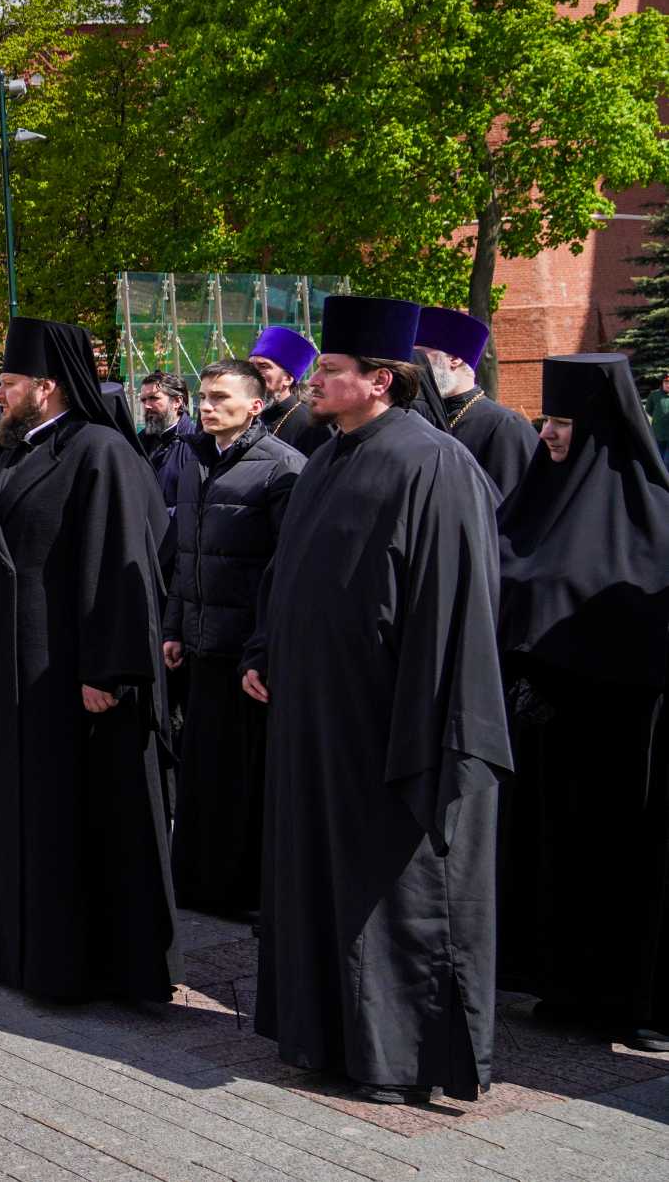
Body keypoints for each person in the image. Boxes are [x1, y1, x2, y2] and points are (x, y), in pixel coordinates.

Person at [244, 295, 510, 1104]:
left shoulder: (433, 463)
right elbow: (286, 576)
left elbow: (454, 609)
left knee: (394, 895)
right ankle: (326, 1037)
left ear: (382, 381)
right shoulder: (328, 455)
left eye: (330, 370)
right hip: (315, 716)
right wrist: (266, 650)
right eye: (320, 367)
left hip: (393, 723)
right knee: (319, 881)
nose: (315, 380)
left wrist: (430, 727)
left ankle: (397, 1060)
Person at [0, 317, 175, 1002]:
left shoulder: (100, 451)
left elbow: (122, 564)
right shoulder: (22, 451)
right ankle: (16, 948)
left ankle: (75, 965)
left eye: (10, 384)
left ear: (47, 387)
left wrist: (106, 669)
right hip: (17, 677)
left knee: (70, 822)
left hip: (71, 678)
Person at [495, 354, 669, 1051]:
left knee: (622, 874)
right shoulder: (535, 501)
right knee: (552, 862)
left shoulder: (654, 519)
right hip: (543, 736)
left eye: (564, 422)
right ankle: (559, 983)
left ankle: (627, 999)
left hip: (624, 743)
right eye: (547, 420)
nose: (548, 436)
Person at [158, 358, 302, 916]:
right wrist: (173, 627)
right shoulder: (194, 459)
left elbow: (285, 571)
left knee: (246, 779)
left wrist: (264, 648)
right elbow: (183, 558)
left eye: (220, 398)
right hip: (198, 645)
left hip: (245, 652)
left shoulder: (282, 468)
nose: (207, 406)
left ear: (256, 405)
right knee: (203, 774)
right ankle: (199, 884)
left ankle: (246, 891)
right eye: (203, 397)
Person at [414, 306, 537, 502]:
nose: (412, 366)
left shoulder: (505, 426)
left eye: (419, 356)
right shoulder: (417, 419)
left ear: (453, 359)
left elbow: (517, 509)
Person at [247, 325, 328, 456]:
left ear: (288, 379)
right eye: (250, 366)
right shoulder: (247, 412)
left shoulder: (310, 424)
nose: (253, 373)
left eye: (263, 366)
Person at [136, 370, 197, 501]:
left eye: (153, 398)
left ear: (176, 402)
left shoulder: (195, 443)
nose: (146, 405)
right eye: (143, 400)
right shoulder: (139, 441)